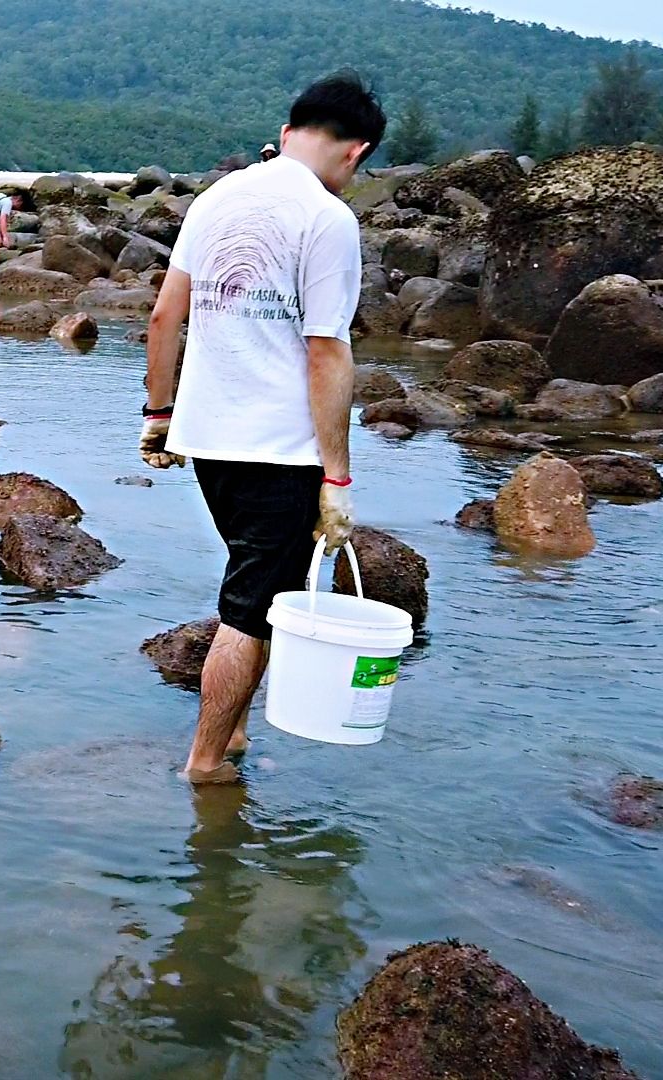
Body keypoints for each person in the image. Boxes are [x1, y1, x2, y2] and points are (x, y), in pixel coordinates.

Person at [140, 71, 385, 783]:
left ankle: (236, 732)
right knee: (250, 611)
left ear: (286, 135)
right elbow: (326, 349)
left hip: (210, 444)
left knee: (259, 591)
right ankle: (207, 764)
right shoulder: (328, 218)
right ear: (356, 152)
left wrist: (158, 415)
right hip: (279, 451)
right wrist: (337, 475)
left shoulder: (217, 198)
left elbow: (163, 318)